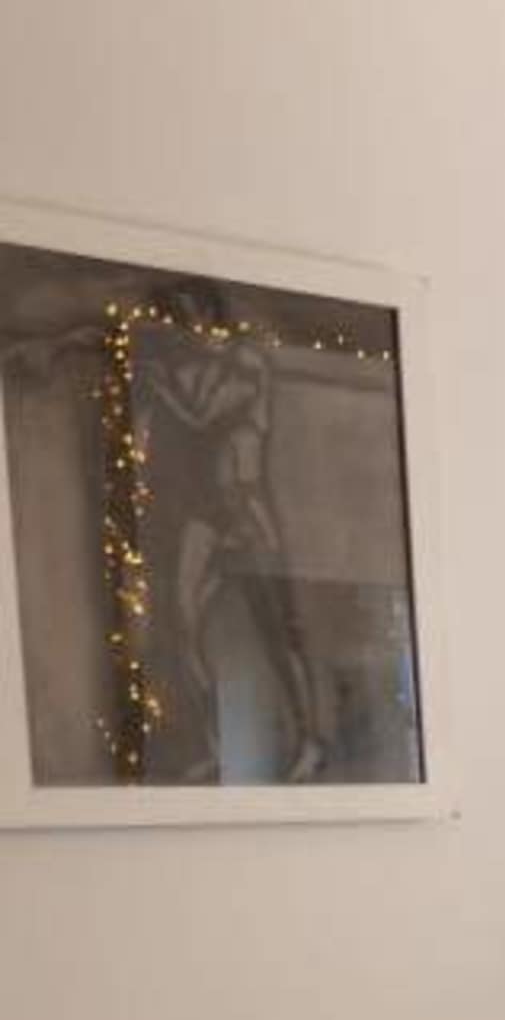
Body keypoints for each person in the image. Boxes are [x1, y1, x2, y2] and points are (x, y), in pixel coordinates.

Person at [134, 281, 327, 781]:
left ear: (208, 314)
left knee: (277, 630)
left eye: (188, 315)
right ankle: (211, 744)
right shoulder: (183, 367)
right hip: (204, 510)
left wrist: (161, 384)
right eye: (175, 318)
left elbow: (204, 415)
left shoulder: (246, 362)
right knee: (181, 623)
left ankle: (309, 738)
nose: (183, 328)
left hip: (246, 507)